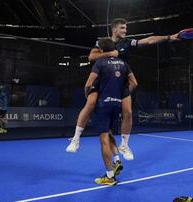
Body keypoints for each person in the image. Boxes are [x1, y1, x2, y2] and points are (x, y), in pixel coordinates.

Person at [66, 18, 179, 160]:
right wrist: (110, 54)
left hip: (120, 82)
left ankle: (124, 145)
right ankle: (76, 139)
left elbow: (148, 40)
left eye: (126, 28)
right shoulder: (103, 42)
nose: (125, 30)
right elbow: (91, 57)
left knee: (128, 112)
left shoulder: (127, 42)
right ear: (114, 29)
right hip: (102, 79)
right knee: (90, 104)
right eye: (123, 28)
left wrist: (169, 37)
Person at [87, 38, 136, 185]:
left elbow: (89, 84)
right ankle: (117, 160)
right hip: (117, 104)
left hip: (103, 105)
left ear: (102, 50)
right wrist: (123, 95)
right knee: (109, 134)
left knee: (104, 141)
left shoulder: (100, 62)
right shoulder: (124, 63)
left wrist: (90, 101)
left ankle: (109, 177)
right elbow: (134, 83)